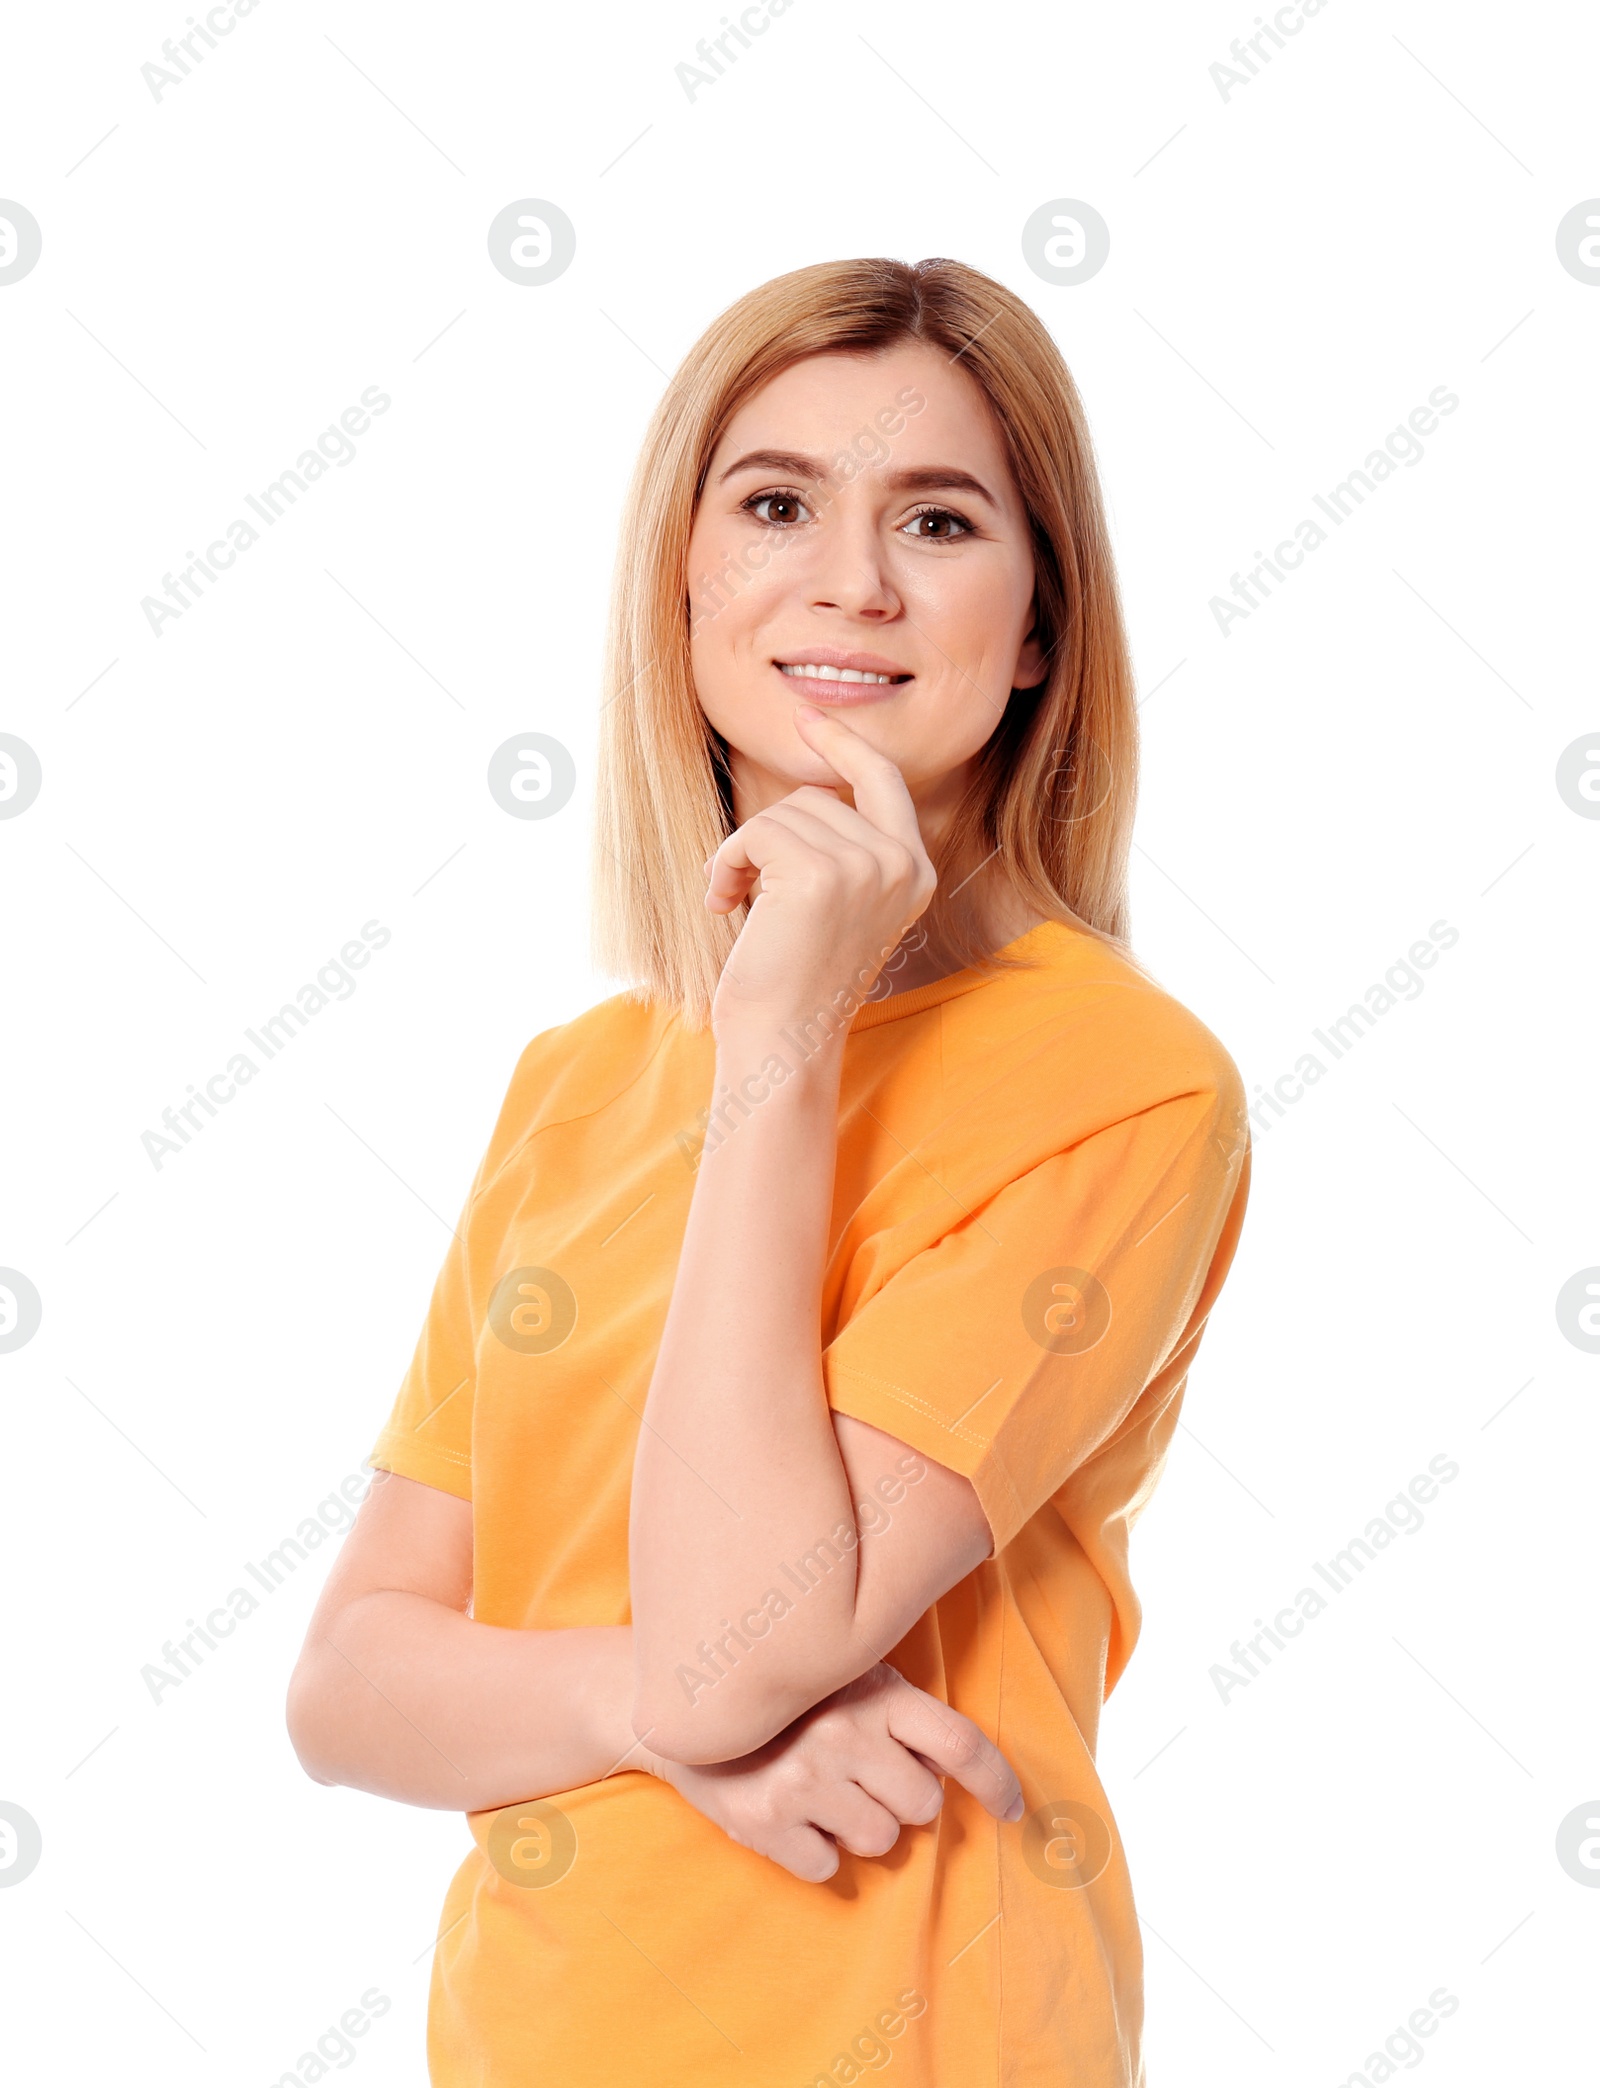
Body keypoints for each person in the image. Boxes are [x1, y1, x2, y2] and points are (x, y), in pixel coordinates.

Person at [286, 254, 1253, 2087]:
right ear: (688, 585)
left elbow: (748, 1650)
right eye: (778, 505)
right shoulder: (576, 1084)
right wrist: (641, 1717)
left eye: (943, 520)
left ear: (1040, 625)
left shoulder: (1123, 1088)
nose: (853, 583)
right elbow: (348, 1689)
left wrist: (787, 1047)